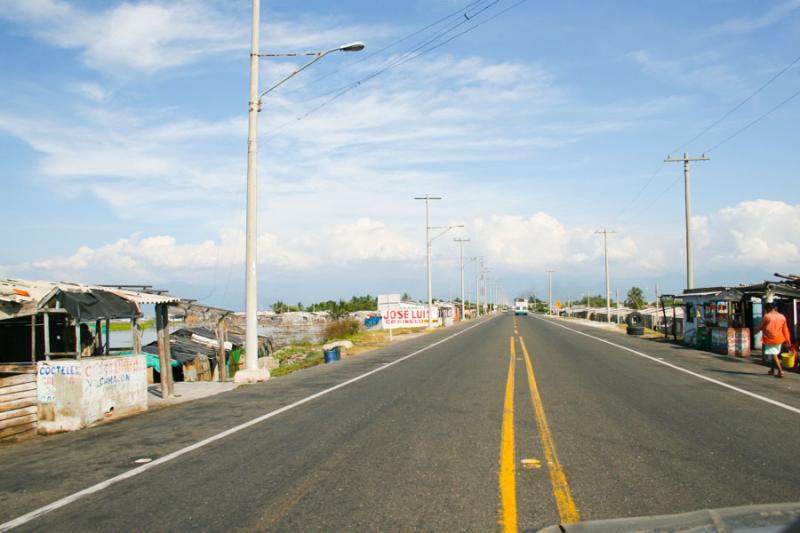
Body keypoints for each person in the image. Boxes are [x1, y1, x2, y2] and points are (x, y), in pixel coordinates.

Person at [755, 302, 792, 378]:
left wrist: (756, 331)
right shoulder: (782, 316)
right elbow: (785, 329)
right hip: (780, 338)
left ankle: (780, 371)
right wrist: (788, 340)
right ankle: (772, 370)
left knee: (774, 355)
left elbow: (759, 327)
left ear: (768, 309)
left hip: (770, 339)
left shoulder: (767, 316)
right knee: (774, 354)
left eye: (765, 309)